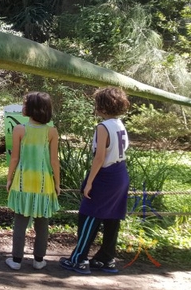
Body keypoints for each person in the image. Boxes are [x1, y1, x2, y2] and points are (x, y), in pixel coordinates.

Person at [60, 87, 131, 274]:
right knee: (112, 217)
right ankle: (106, 259)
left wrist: (89, 181)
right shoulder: (119, 123)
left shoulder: (103, 127)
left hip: (105, 174)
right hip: (120, 173)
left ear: (104, 106)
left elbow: (99, 158)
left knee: (89, 214)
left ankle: (79, 259)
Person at [5, 91, 61, 270]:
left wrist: (9, 179)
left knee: (20, 222)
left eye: (24, 104)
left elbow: (14, 158)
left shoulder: (20, 129)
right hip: (45, 183)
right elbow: (54, 161)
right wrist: (58, 184)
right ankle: (38, 260)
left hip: (23, 181)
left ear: (33, 108)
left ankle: (16, 260)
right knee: (42, 222)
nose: (22, 107)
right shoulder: (51, 132)